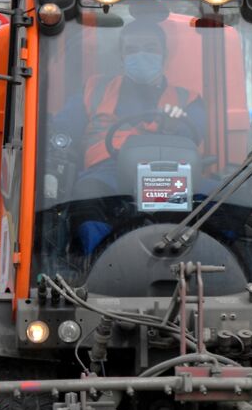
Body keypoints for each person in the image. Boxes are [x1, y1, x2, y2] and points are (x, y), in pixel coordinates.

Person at [54, 19, 208, 252]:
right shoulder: (93, 90)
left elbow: (195, 132)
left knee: (228, 200)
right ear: (122, 56)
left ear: (164, 55)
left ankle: (219, 256)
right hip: (108, 175)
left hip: (174, 177)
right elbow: (62, 130)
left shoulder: (188, 99)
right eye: (132, 49)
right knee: (85, 197)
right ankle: (97, 259)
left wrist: (174, 128)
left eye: (150, 48)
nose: (141, 55)